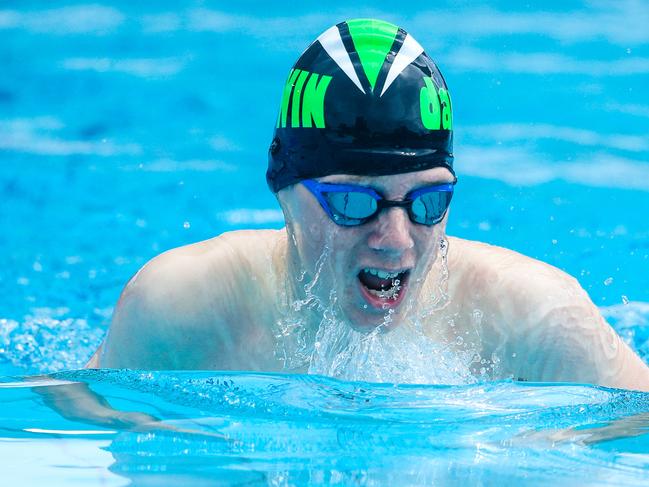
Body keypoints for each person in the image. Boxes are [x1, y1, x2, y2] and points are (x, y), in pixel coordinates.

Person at [87, 19, 649, 391]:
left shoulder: (538, 321)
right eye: (355, 201)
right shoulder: (180, 308)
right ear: (285, 190)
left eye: (428, 202)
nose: (397, 238)